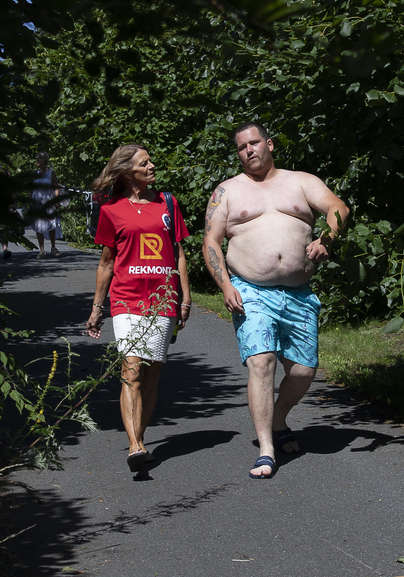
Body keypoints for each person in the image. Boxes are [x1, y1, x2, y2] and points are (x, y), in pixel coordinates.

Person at [203, 122, 348, 479]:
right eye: (241, 147)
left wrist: (328, 238)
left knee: (303, 371)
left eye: (254, 143)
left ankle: (279, 418)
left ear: (268, 144)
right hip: (250, 290)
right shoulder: (227, 191)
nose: (248, 150)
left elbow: (338, 208)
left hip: (299, 293)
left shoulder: (301, 181)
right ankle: (266, 449)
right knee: (262, 362)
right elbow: (211, 242)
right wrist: (225, 286)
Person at [85, 144, 191, 474]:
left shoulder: (166, 203)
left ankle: (140, 437)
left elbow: (178, 254)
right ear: (128, 172)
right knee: (131, 368)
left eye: (150, 161)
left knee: (152, 372)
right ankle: (135, 445)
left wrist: (185, 297)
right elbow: (106, 263)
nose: (152, 166)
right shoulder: (111, 210)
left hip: (163, 300)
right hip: (126, 299)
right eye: (145, 163)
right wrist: (96, 307)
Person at [27, 150, 62, 257]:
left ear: (43, 161)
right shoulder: (35, 174)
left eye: (38, 159)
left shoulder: (51, 173)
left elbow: (56, 188)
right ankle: (42, 250)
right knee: (39, 226)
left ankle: (53, 246)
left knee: (51, 225)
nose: (36, 161)